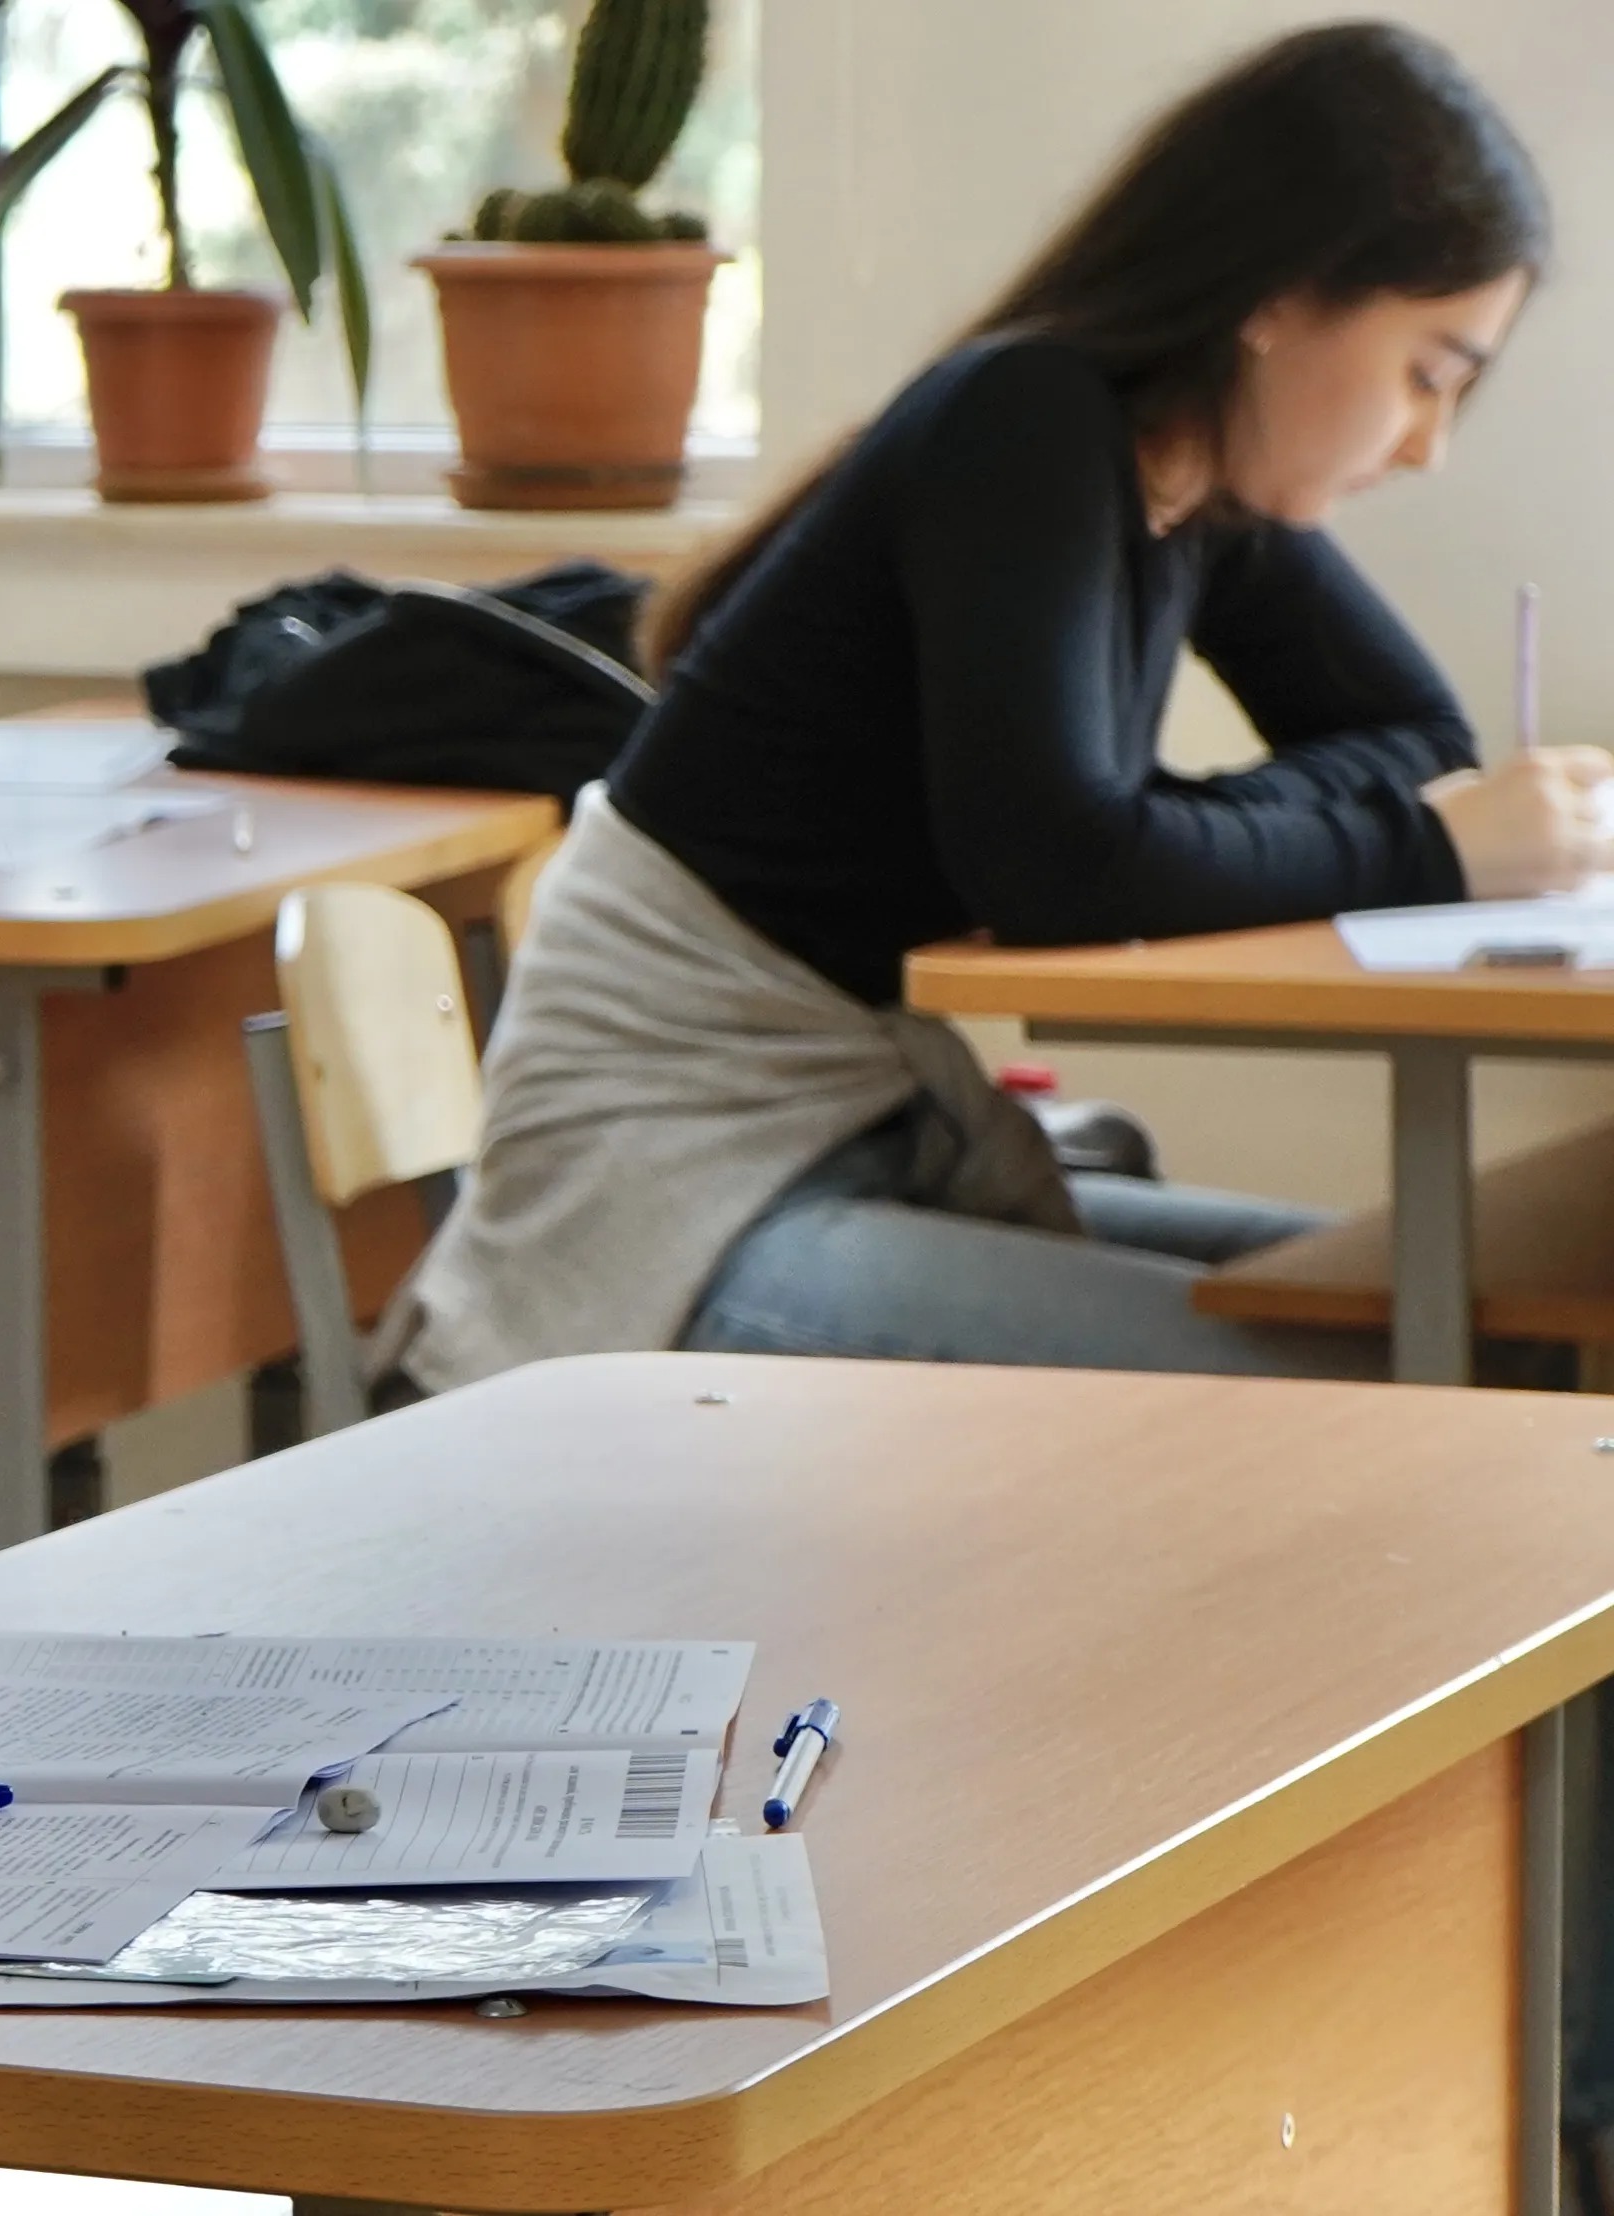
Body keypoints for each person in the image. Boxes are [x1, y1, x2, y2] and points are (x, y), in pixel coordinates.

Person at [390, 22, 1584, 1393]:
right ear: (1282, 297)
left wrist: (1173, 828)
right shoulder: (1029, 422)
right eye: (1428, 373)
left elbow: (1415, 746)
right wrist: (1427, 849)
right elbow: (1060, 869)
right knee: (1404, 1390)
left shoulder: (1197, 480)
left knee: (1498, 1340)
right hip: (667, 1202)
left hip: (866, 1132)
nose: (1429, 445)